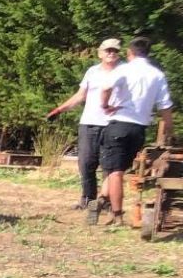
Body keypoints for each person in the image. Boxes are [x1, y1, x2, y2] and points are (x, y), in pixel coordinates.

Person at [93, 36, 173, 226]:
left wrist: (105, 105)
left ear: (130, 53)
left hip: (119, 123)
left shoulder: (124, 70)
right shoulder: (157, 75)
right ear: (148, 53)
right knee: (120, 168)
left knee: (114, 172)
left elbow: (106, 88)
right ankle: (103, 199)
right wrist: (169, 128)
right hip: (139, 128)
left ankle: (117, 214)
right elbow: (165, 106)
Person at [47, 38, 124, 208]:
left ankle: (106, 202)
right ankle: (88, 200)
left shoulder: (124, 72)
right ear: (100, 53)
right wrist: (59, 110)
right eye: (108, 50)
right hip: (89, 123)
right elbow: (80, 96)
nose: (111, 53)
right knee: (86, 163)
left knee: (108, 165)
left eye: (115, 51)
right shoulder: (92, 71)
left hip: (114, 124)